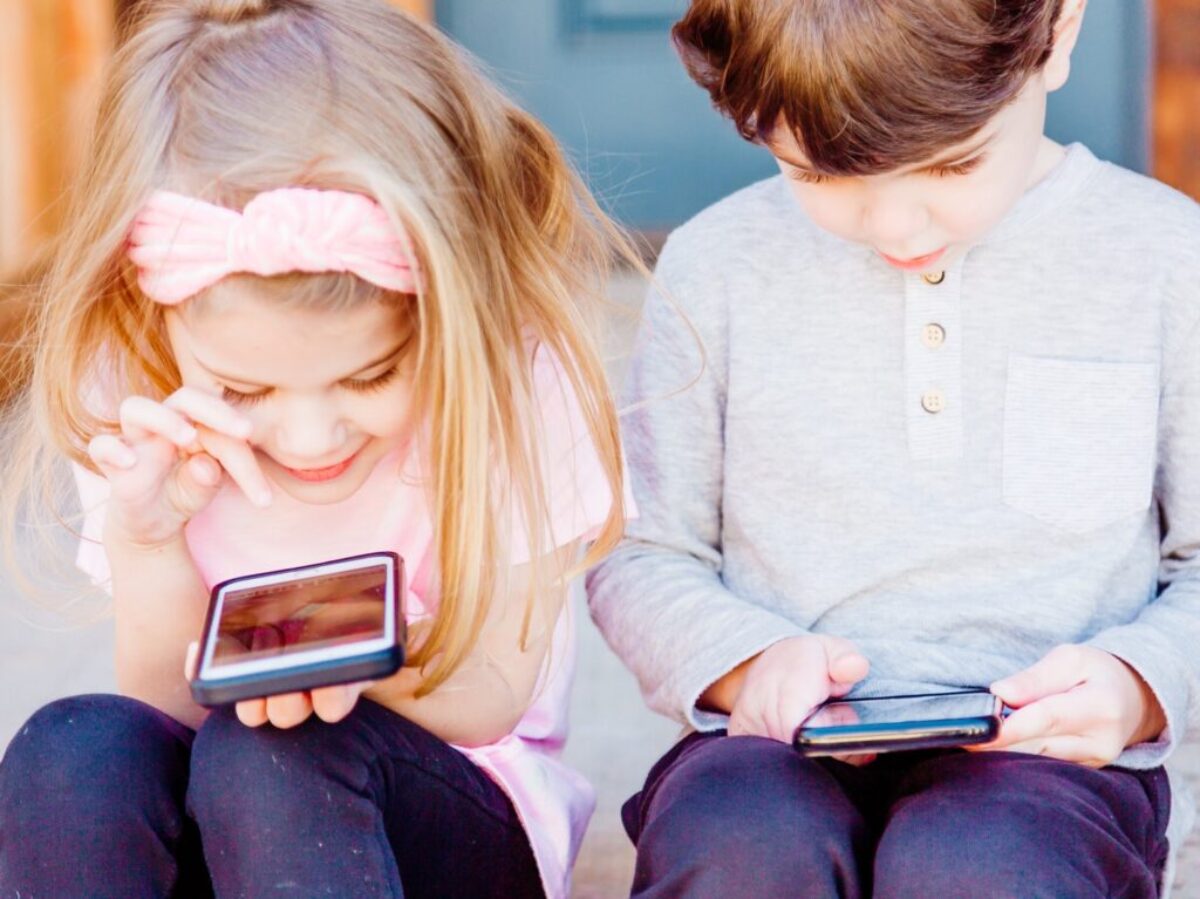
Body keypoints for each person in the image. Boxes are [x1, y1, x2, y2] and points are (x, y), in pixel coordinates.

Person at [0, 1, 636, 896]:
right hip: (228, 821)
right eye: (244, 392)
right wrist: (147, 541)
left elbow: (490, 689)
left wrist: (344, 673)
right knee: (70, 750)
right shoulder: (135, 381)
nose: (308, 436)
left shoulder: (510, 376)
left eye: (370, 376)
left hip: (451, 817)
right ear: (156, 315)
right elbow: (167, 704)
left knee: (272, 752)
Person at [586, 0, 1199, 895]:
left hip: (1053, 768)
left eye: (952, 163)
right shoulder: (716, 267)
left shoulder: (1165, 260)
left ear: (1059, 33)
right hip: (773, 750)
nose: (897, 229)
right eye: (823, 175)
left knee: (978, 868)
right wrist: (742, 663)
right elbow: (640, 554)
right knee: (738, 851)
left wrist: (1137, 684)